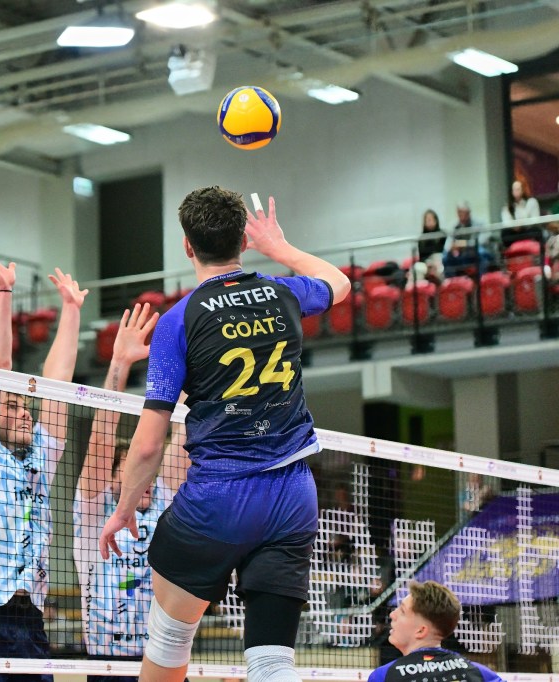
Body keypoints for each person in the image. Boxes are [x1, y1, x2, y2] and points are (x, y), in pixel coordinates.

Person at [99, 187, 350, 682]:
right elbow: (338, 283)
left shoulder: (179, 321)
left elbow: (147, 444)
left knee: (170, 640)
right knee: (272, 662)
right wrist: (280, 247)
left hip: (217, 501)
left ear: (187, 246)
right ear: (243, 241)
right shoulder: (282, 292)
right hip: (292, 495)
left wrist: (124, 508)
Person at [0, 243, 86, 682]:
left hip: (31, 622)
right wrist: (4, 293)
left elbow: (59, 383)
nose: (25, 412)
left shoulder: (41, 457)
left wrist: (71, 311)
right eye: (12, 406)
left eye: (25, 406)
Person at [73, 303, 188, 682]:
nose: (145, 478)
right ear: (112, 480)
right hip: (110, 664)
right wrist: (119, 363)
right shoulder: (95, 513)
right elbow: (102, 438)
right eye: (131, 472)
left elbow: (184, 429)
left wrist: (193, 363)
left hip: (164, 660)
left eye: (147, 472)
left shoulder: (164, 502)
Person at [367, 580, 503, 682]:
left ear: (421, 631)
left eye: (402, 611)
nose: (392, 615)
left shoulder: (385, 676)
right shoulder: (482, 675)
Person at [500, 180, 542, 248]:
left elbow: (535, 220)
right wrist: (515, 226)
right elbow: (506, 223)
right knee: (505, 233)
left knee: (536, 230)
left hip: (528, 230)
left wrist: (522, 223)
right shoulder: (507, 206)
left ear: (523, 190)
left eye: (518, 189)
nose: (516, 192)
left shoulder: (532, 202)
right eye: (514, 190)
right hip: (515, 232)